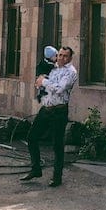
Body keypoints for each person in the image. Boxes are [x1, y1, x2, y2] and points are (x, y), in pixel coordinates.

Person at [21, 46, 78, 187]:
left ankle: (56, 178)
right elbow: (41, 83)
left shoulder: (71, 72)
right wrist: (40, 83)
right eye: (60, 55)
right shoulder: (52, 68)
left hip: (59, 111)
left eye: (65, 56)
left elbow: (59, 88)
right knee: (31, 137)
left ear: (70, 58)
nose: (61, 58)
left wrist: (44, 82)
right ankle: (36, 169)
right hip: (46, 109)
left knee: (57, 145)